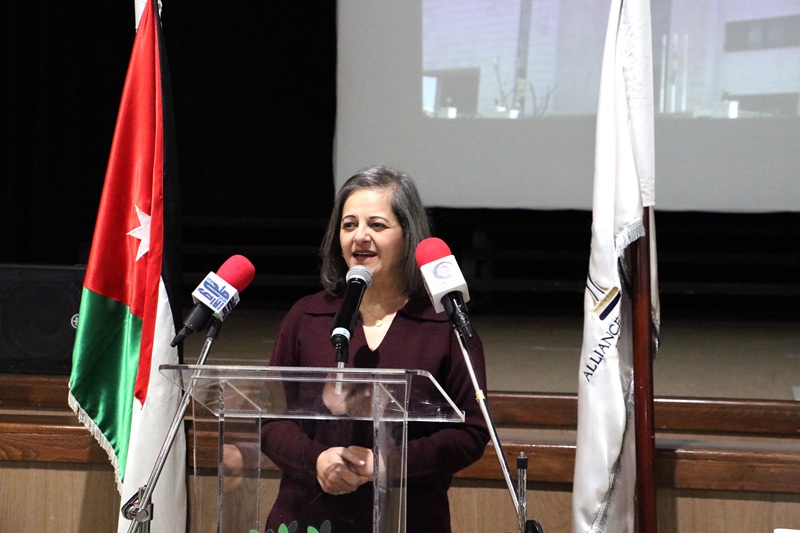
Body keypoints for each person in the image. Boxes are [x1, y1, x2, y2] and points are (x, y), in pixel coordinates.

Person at [260, 164, 490, 532]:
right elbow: (270, 419)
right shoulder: (307, 317)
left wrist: (387, 464)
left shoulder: (444, 325)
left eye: (377, 225)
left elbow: (472, 432)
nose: (360, 237)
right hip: (309, 517)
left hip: (409, 519)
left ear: (408, 236)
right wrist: (315, 460)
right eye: (349, 225)